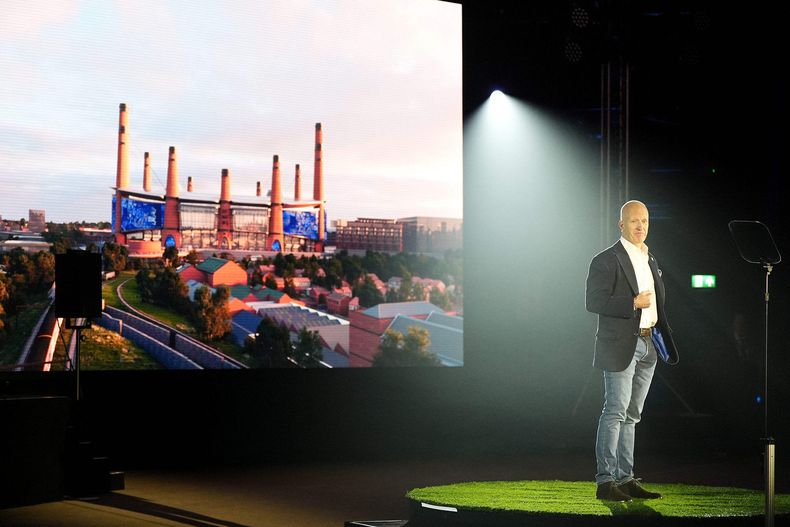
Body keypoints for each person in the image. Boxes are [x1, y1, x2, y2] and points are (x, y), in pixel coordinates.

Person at [585, 200, 679, 502]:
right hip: (621, 344)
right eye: (634, 221)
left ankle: (625, 479)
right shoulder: (606, 259)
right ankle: (605, 481)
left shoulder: (650, 258)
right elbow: (593, 302)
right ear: (621, 224)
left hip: (649, 344)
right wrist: (632, 303)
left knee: (632, 415)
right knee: (615, 411)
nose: (641, 226)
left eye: (645, 221)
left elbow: (658, 302)